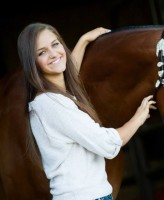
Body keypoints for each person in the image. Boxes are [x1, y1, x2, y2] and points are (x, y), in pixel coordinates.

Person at [17, 22, 156, 200]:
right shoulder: (52, 104)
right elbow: (107, 144)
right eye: (42, 52)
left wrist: (84, 40)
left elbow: (69, 73)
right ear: (32, 63)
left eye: (55, 44)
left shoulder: (53, 97)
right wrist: (139, 117)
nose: (53, 54)